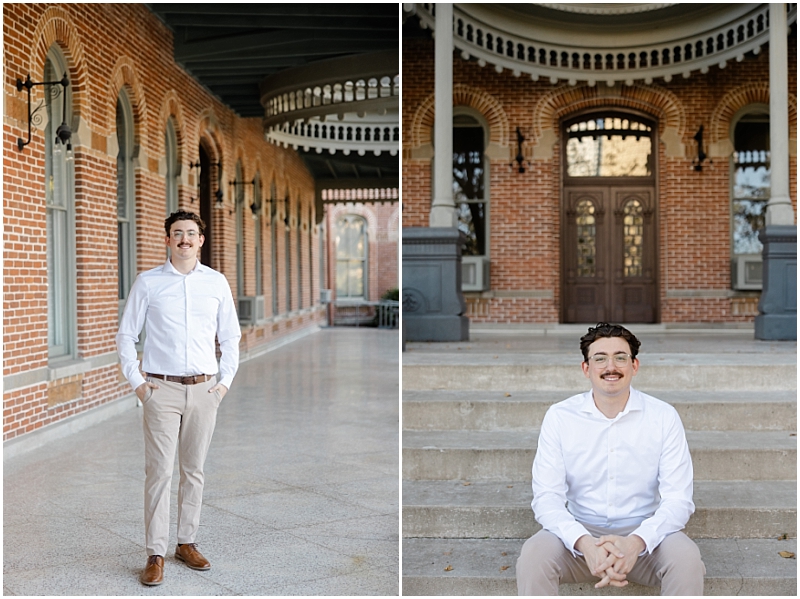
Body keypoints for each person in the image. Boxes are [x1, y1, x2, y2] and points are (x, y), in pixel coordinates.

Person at [516, 323, 705, 595]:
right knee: (534, 555)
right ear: (586, 368)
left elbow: (678, 500)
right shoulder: (560, 417)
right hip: (579, 540)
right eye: (600, 358)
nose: (611, 367)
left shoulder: (663, 416)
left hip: (645, 540)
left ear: (634, 365)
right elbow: (547, 497)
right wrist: (585, 543)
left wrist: (636, 543)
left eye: (620, 357)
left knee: (686, 558)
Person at [116, 210, 241, 586]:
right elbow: (126, 336)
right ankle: (155, 553)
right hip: (160, 390)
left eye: (191, 233)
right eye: (177, 233)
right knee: (159, 472)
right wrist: (138, 383)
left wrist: (223, 384)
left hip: (204, 389)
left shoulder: (217, 283)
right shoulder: (148, 283)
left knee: (194, 470)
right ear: (167, 240)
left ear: (201, 240)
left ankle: (186, 542)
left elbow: (231, 337)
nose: (184, 239)